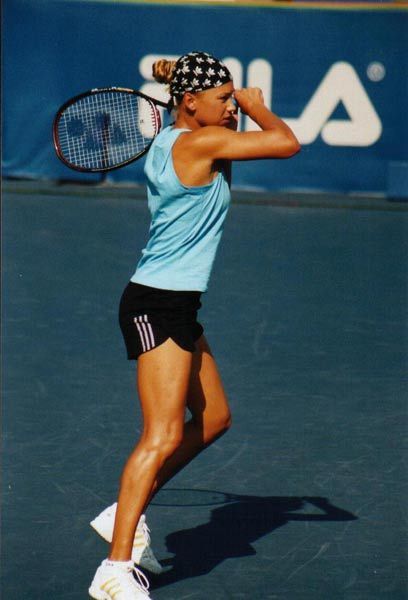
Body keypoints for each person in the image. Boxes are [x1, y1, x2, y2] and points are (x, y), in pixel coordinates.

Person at [89, 50, 300, 600]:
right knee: (160, 436)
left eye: (233, 99)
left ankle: (124, 511)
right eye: (223, 99)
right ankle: (113, 569)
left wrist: (224, 100)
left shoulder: (173, 139)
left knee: (214, 418)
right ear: (190, 102)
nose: (233, 107)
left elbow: (227, 139)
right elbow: (286, 143)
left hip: (175, 304)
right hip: (157, 305)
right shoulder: (200, 144)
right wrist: (258, 107)